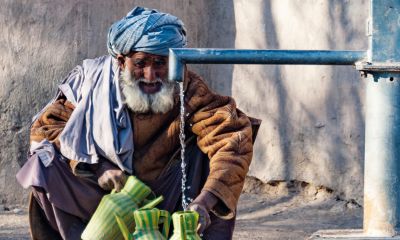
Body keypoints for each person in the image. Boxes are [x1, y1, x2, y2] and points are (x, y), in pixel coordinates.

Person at [17, 6, 259, 240]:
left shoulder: (187, 88)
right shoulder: (93, 84)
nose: (150, 75)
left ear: (174, 64)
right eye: (141, 63)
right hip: (103, 194)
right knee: (43, 162)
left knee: (222, 154)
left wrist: (205, 202)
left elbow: (229, 136)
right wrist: (99, 167)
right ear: (122, 62)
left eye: (160, 63)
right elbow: (45, 129)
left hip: (166, 199)